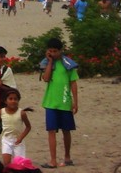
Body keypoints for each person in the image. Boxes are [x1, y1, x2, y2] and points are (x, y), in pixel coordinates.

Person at [39, 37, 78, 169]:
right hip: (50, 102)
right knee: (51, 130)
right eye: (51, 51)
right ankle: (53, 160)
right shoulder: (47, 63)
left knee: (66, 130)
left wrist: (75, 101)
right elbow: (46, 78)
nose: (53, 53)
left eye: (55, 51)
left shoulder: (68, 64)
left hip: (65, 101)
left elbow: (73, 83)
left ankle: (67, 157)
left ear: (60, 51)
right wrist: (50, 62)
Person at [0, 88, 31, 166]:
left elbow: (28, 127)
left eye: (15, 99)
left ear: (18, 100)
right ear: (5, 101)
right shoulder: (1, 112)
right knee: (7, 163)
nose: (13, 101)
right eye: (10, 99)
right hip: (6, 140)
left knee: (19, 164)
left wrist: (21, 137)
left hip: (18, 142)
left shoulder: (22, 113)